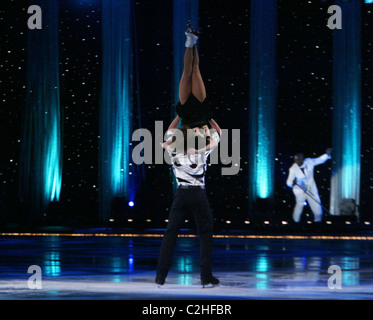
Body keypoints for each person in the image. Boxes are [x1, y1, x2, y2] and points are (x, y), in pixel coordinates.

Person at [155, 24, 221, 287]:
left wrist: (181, 116)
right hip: (197, 191)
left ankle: (190, 42)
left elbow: (169, 136)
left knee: (191, 71)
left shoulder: (177, 147)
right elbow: (218, 134)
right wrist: (208, 119)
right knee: (193, 71)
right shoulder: (202, 148)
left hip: (183, 191)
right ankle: (191, 42)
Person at [286, 148, 332, 223]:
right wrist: (292, 182)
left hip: (311, 187)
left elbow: (319, 160)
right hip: (299, 189)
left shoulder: (309, 162)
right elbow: (288, 182)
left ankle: (318, 221)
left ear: (302, 158)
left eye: (298, 159)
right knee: (300, 204)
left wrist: (327, 155)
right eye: (295, 159)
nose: (297, 161)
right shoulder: (293, 169)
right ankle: (295, 222)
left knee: (316, 203)